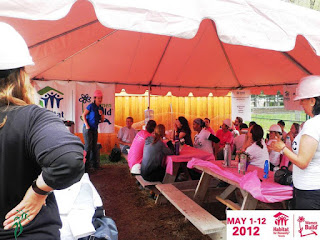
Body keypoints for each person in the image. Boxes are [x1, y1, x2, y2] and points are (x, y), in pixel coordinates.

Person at [0, 22, 84, 239]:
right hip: (25, 232)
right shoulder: (31, 117)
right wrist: (38, 192)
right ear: (21, 75)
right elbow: (69, 160)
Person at [270, 76, 320, 209]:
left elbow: (303, 162)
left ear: (312, 101)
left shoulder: (313, 125)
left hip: (310, 191)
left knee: (307, 229)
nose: (300, 104)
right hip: (313, 189)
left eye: (302, 100)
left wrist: (282, 149)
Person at [82, 89, 104, 171]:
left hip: (94, 129)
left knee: (94, 147)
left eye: (101, 98)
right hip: (87, 129)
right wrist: (87, 125)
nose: (100, 100)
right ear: (95, 98)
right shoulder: (90, 106)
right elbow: (83, 115)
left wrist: (101, 114)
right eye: (98, 98)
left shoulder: (101, 107)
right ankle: (84, 167)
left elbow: (101, 120)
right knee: (88, 147)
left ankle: (95, 165)